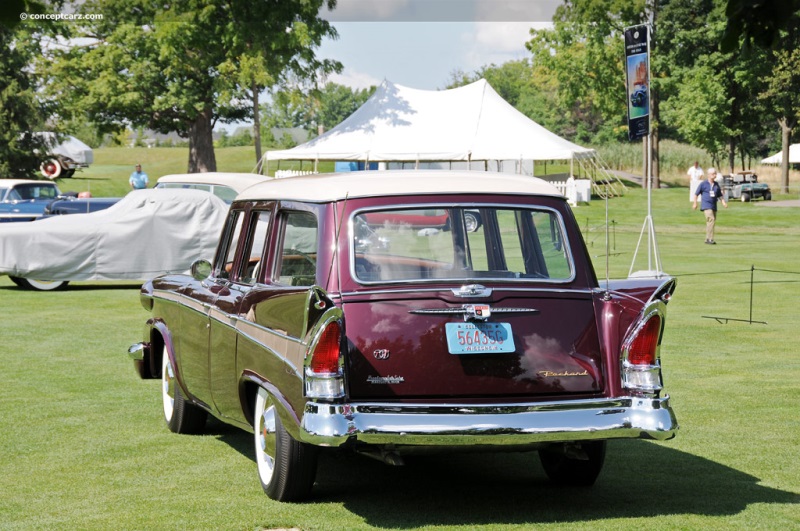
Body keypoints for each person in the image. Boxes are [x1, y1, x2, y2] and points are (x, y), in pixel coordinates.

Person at [692, 167, 728, 244]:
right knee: (711, 219)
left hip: (713, 206)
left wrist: (723, 202)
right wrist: (695, 203)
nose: (715, 175)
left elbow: (720, 195)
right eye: (713, 174)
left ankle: (708, 239)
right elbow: (696, 194)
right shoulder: (703, 184)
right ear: (708, 175)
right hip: (706, 205)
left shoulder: (716, 184)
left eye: (715, 174)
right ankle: (710, 239)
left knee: (711, 222)